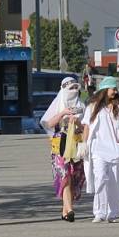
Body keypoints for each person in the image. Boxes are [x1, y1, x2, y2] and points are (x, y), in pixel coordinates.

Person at [82, 76, 119, 223]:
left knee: (114, 182)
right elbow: (87, 126)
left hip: (116, 150)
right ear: (104, 90)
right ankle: (99, 212)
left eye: (115, 89)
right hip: (98, 149)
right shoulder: (92, 107)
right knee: (100, 178)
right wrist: (83, 143)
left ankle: (113, 212)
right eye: (113, 88)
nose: (115, 91)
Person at [40, 76, 86, 222]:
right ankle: (70, 210)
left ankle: (65, 210)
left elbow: (87, 128)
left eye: (75, 88)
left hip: (77, 146)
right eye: (70, 88)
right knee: (64, 176)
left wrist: (77, 122)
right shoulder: (57, 104)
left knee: (73, 178)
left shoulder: (82, 106)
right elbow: (47, 123)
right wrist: (63, 114)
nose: (73, 91)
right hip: (60, 146)